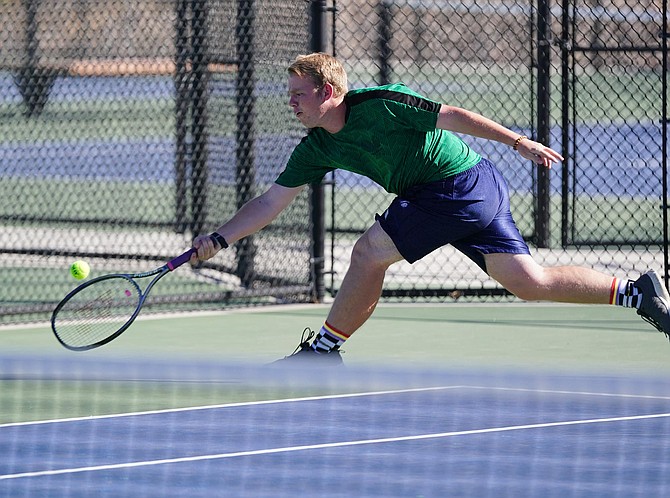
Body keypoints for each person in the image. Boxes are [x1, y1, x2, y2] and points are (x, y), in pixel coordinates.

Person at [191, 52, 670, 365]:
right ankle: (637, 292)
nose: (291, 103)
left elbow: (453, 116)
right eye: (290, 94)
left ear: (329, 92)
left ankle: (324, 350)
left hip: (458, 185)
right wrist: (218, 239)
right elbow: (271, 201)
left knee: (367, 253)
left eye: (299, 94)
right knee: (529, 282)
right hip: (461, 192)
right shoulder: (315, 148)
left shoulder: (383, 103)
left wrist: (519, 140)